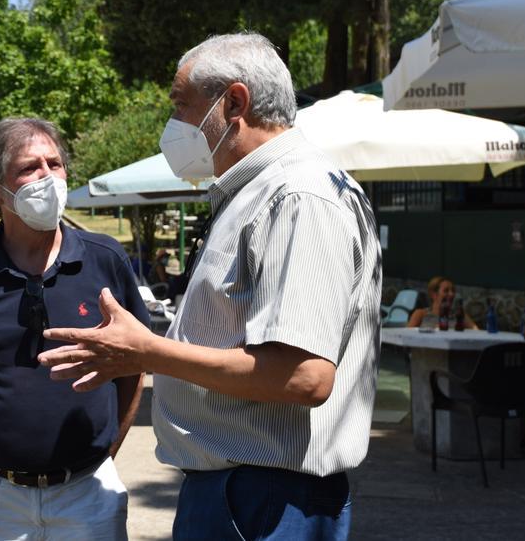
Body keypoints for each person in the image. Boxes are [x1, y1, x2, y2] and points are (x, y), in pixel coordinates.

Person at [38, 33, 382, 540]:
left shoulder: (299, 196)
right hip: (242, 494)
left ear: (235, 103)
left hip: (264, 501)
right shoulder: (261, 192)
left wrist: (148, 352)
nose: (173, 124)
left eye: (181, 105)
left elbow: (304, 377)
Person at [0, 117, 149, 540]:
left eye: (55, 164)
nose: (47, 177)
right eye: (29, 168)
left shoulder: (105, 260)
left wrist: (105, 455)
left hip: (88, 495)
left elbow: (135, 369)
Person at [407, 276, 478, 330]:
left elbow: (476, 331)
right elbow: (406, 336)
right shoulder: (420, 314)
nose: (451, 294)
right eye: (446, 291)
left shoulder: (459, 315)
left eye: (453, 290)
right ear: (433, 294)